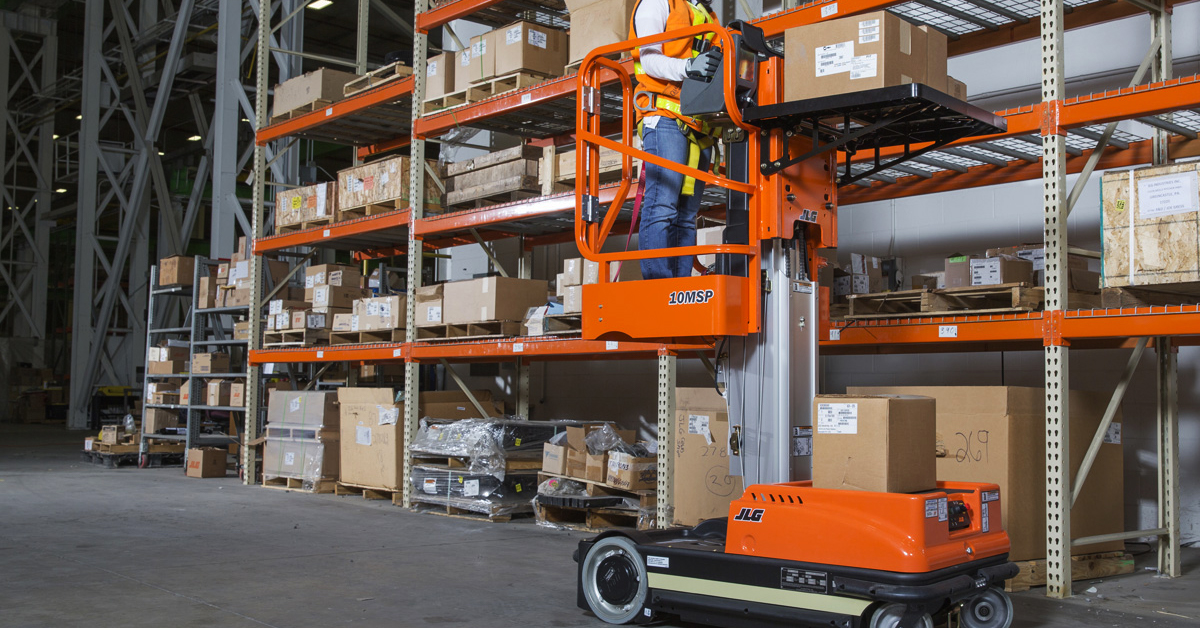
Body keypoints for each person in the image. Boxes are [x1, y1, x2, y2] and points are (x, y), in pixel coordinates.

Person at [628, 0, 723, 279]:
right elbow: (649, 60)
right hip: (664, 116)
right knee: (663, 204)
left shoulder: (708, 15)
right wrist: (689, 66)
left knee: (686, 215)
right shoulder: (657, 3)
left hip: (699, 125)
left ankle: (680, 288)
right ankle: (659, 284)